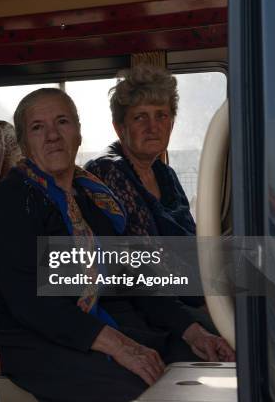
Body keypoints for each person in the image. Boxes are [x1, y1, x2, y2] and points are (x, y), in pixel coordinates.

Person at [0, 88, 235, 402]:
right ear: (23, 143)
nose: (53, 135)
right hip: (40, 338)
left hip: (103, 320)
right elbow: (32, 305)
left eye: (62, 122)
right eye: (37, 127)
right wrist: (120, 346)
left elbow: (133, 278)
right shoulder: (11, 201)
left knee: (209, 362)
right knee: (146, 390)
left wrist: (192, 330)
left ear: (79, 133)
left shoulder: (90, 197)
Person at [85, 64, 205, 307]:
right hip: (144, 309)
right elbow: (143, 264)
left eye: (161, 115)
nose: (153, 127)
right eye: (140, 117)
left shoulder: (165, 174)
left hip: (186, 296)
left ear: (171, 123)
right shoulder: (107, 171)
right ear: (120, 127)